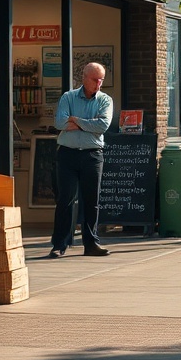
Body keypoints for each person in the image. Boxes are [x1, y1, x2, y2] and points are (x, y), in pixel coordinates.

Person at [50, 62, 113, 258]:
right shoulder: (68, 97)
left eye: (101, 80)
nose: (98, 84)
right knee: (65, 199)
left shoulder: (105, 100)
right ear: (84, 78)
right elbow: (59, 123)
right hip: (68, 153)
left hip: (92, 154)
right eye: (95, 79)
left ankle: (91, 243)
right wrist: (88, 125)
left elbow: (102, 126)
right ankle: (60, 244)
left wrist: (75, 120)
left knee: (91, 200)